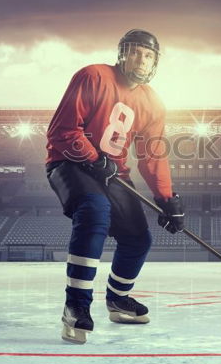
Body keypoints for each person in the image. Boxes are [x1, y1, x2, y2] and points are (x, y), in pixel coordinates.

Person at [45, 29, 185, 344]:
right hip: (70, 163)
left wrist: (167, 198)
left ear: (155, 63)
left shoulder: (152, 102)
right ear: (122, 53)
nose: (141, 58)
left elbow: (152, 155)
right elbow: (62, 131)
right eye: (135, 51)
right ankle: (76, 306)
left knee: (138, 237)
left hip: (112, 172)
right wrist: (93, 157)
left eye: (148, 55)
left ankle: (118, 299)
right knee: (95, 210)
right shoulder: (93, 76)